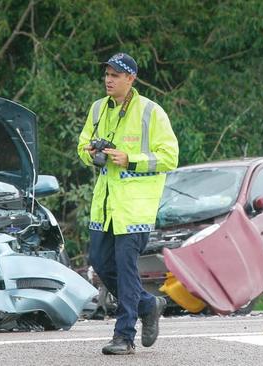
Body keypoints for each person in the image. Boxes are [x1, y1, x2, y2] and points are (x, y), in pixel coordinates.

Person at [77, 53, 179, 355]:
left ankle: (124, 336)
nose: (109, 79)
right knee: (99, 261)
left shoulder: (151, 112)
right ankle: (148, 304)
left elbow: (169, 157)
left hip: (135, 209)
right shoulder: (97, 109)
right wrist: (91, 152)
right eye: (107, 74)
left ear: (131, 79)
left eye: (116, 75)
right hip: (105, 207)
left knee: (125, 268)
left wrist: (129, 159)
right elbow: (83, 144)